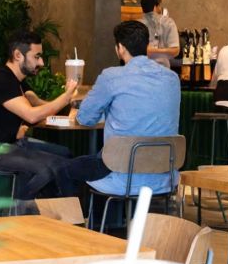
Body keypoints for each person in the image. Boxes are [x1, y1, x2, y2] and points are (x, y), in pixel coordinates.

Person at [72, 21, 182, 202]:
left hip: (123, 176)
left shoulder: (111, 76)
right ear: (147, 46)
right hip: (164, 177)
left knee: (65, 170)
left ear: (120, 48)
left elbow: (84, 118)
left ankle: (92, 220)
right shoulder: (172, 79)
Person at [0, 31, 81, 199]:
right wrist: (65, 97)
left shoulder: (18, 82)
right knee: (48, 169)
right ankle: (16, 209)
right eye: (37, 57)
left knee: (64, 154)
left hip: (12, 145)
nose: (41, 63)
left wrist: (68, 102)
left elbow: (38, 105)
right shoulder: (0, 79)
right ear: (18, 55)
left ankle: (59, 209)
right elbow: (31, 115)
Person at [139, 0, 180, 70]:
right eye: (159, 6)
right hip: (162, 70)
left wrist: (151, 51)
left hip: (141, 70)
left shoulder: (137, 25)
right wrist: (158, 51)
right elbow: (175, 51)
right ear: (155, 7)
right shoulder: (169, 23)